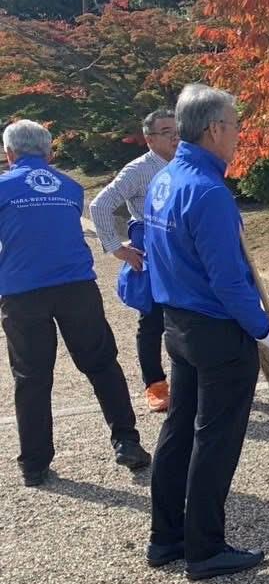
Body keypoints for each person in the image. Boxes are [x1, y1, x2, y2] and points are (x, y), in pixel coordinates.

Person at [145, 83, 269, 580]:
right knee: (215, 440)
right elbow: (228, 281)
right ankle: (205, 549)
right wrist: (265, 330)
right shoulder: (207, 192)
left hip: (179, 325)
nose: (238, 134)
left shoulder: (167, 179)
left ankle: (166, 538)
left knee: (179, 430)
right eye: (234, 125)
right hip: (217, 333)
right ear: (213, 129)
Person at [1, 119, 151, 487]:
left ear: (9, 154)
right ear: (49, 152)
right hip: (77, 286)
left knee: (32, 377)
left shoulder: (3, 187)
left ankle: (34, 464)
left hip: (23, 292)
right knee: (101, 364)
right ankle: (127, 441)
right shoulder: (69, 187)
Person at [89, 108, 180, 412]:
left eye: (177, 130)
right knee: (152, 320)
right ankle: (155, 385)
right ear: (149, 138)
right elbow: (100, 205)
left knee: (190, 318)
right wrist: (117, 248)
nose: (174, 137)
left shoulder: (188, 164)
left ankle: (195, 380)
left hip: (185, 250)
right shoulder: (138, 170)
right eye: (166, 132)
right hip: (153, 252)